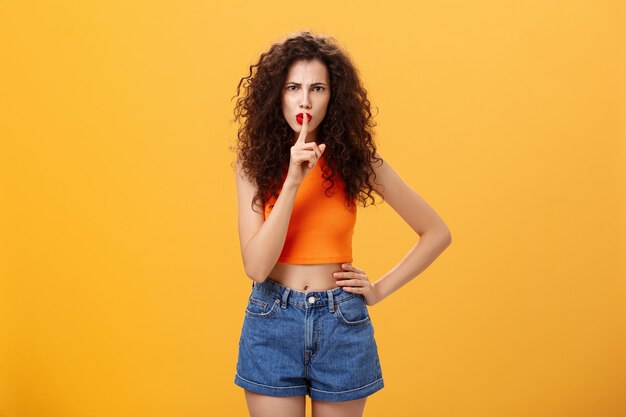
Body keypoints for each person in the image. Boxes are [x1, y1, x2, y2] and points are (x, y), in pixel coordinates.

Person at [230, 30, 452, 417]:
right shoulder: (252, 164)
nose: (304, 100)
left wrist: (379, 289)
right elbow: (256, 266)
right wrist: (294, 180)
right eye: (293, 87)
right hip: (271, 320)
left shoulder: (358, 161)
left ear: (333, 97)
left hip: (340, 322)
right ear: (275, 95)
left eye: (317, 88)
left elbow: (436, 233)